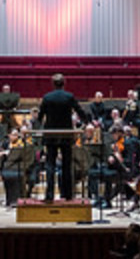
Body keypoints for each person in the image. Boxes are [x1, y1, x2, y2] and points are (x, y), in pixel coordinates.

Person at [39, 73, 88, 202]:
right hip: (66, 134)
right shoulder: (69, 97)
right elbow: (79, 111)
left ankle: (49, 195)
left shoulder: (47, 97)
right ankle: (68, 194)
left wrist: (38, 128)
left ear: (53, 84)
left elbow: (40, 116)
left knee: (50, 165)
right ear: (64, 83)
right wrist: (87, 121)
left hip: (50, 134)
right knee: (67, 165)